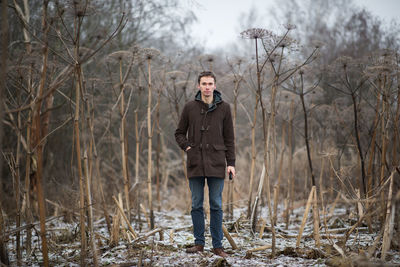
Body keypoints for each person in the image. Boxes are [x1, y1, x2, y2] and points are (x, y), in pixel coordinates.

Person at [175, 71, 236, 258]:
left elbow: (229, 138)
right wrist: (188, 148)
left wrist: (231, 163)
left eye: (210, 83)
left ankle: (218, 246)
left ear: (215, 86)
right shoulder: (189, 107)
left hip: (217, 163)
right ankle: (199, 244)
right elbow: (179, 133)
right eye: (204, 83)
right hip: (195, 163)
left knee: (216, 205)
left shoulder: (225, 108)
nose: (207, 87)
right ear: (198, 86)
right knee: (196, 205)